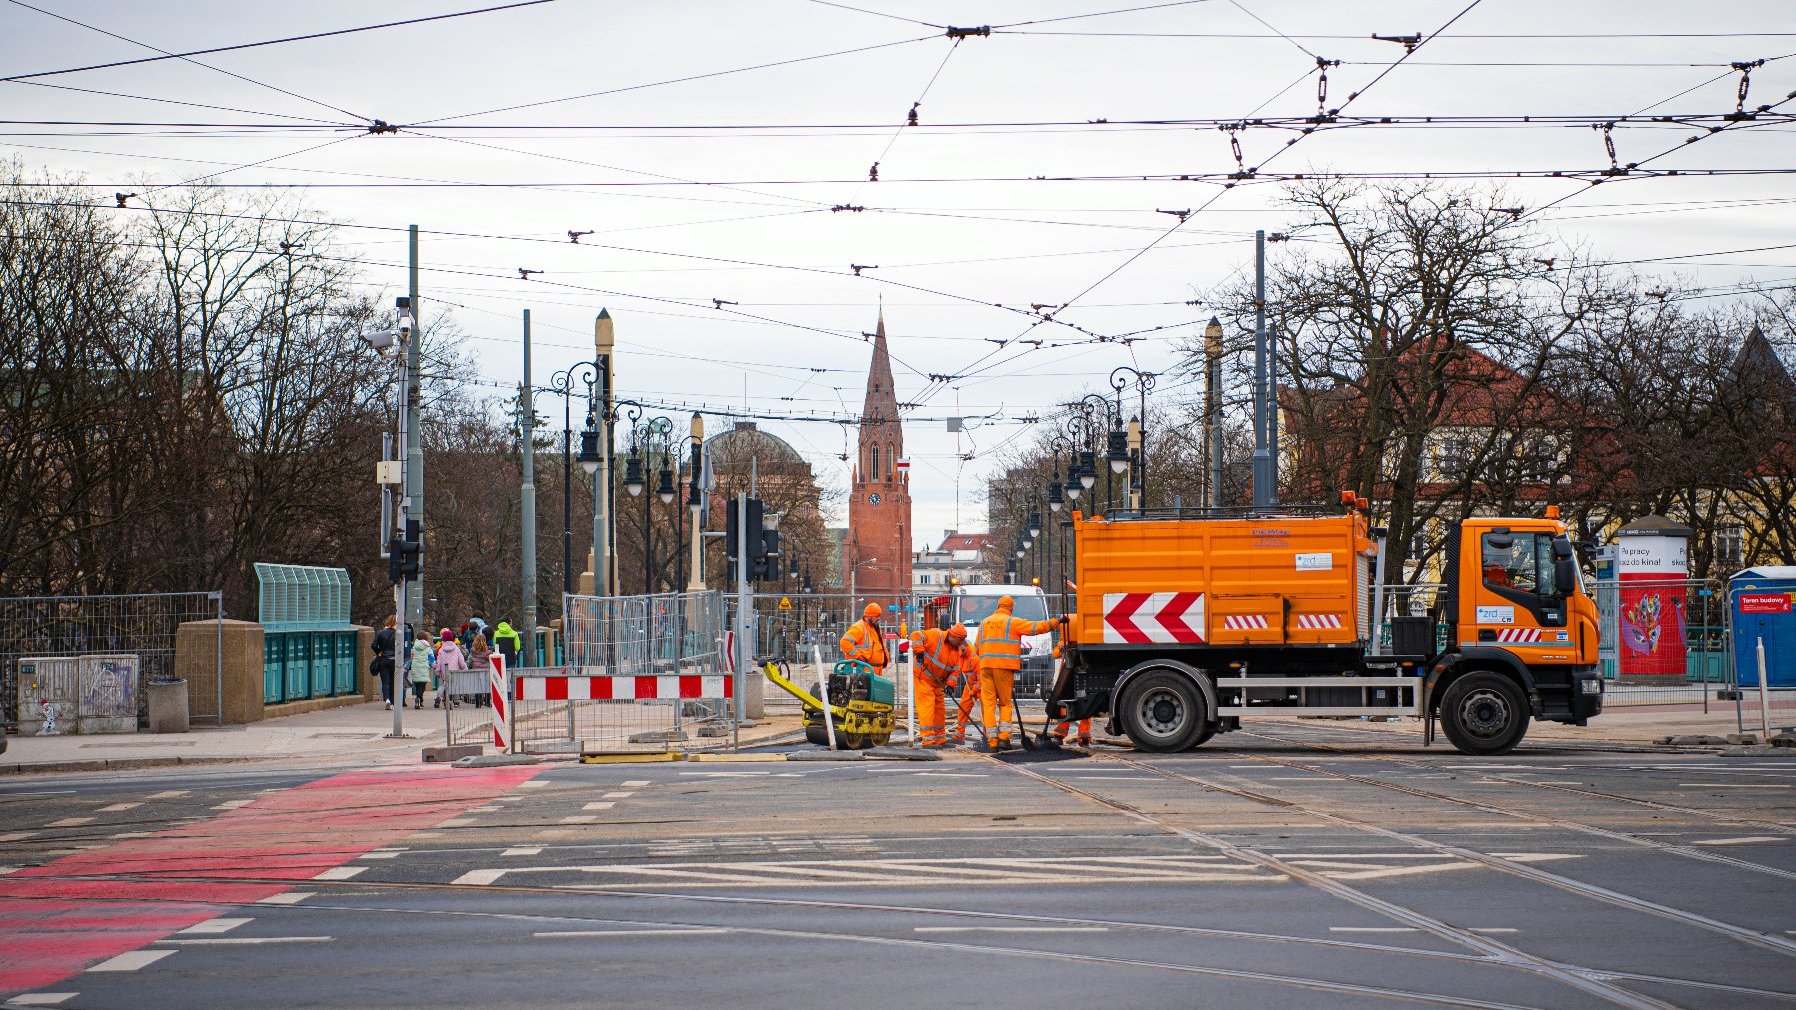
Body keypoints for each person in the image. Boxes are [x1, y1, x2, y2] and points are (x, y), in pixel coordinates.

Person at [975, 596, 1060, 751]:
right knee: (1005, 703)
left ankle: (992, 741)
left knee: (988, 704)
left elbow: (976, 648)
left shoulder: (984, 623)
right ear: (1011, 608)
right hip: (1004, 667)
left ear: (998, 606)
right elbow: (1036, 627)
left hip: (985, 668)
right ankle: (1004, 738)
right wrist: (1056, 622)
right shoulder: (1012, 622)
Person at [908, 623, 974, 748]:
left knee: (939, 710)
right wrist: (920, 651)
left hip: (938, 683)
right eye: (959, 641)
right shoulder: (936, 635)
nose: (960, 644)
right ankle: (927, 740)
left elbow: (955, 670)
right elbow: (915, 635)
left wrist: (950, 685)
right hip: (924, 678)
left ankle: (940, 739)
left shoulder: (957, 650)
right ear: (953, 636)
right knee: (927, 708)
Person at [839, 603, 890, 673]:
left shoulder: (875, 628)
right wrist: (858, 656)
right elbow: (844, 642)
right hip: (863, 670)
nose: (878, 618)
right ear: (870, 616)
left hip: (874, 670)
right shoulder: (859, 627)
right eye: (877, 616)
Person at [434, 629, 468, 709]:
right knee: (454, 685)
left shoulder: (441, 649)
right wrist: (464, 668)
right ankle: (456, 701)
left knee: (443, 685)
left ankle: (438, 697)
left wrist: (438, 672)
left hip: (444, 671)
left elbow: (438, 662)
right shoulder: (456, 649)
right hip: (454, 671)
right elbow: (461, 661)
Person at [371, 616, 398, 710]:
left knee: (385, 681)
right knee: (393, 682)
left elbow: (373, 645)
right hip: (395, 660)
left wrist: (379, 652)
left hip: (384, 659)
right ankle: (393, 702)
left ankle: (387, 699)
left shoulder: (381, 632)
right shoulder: (398, 633)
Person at [407, 630, 433, 710]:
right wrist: (434, 665)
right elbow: (431, 658)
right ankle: (419, 699)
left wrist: (406, 667)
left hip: (415, 667)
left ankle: (419, 700)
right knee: (422, 685)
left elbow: (410, 658)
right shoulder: (428, 648)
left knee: (417, 685)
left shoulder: (414, 648)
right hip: (424, 667)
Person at [468, 632, 493, 708]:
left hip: (476, 670)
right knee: (487, 685)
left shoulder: (473, 651)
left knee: (477, 686)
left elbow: (469, 660)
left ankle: (478, 703)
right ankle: (487, 702)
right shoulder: (488, 652)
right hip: (486, 671)